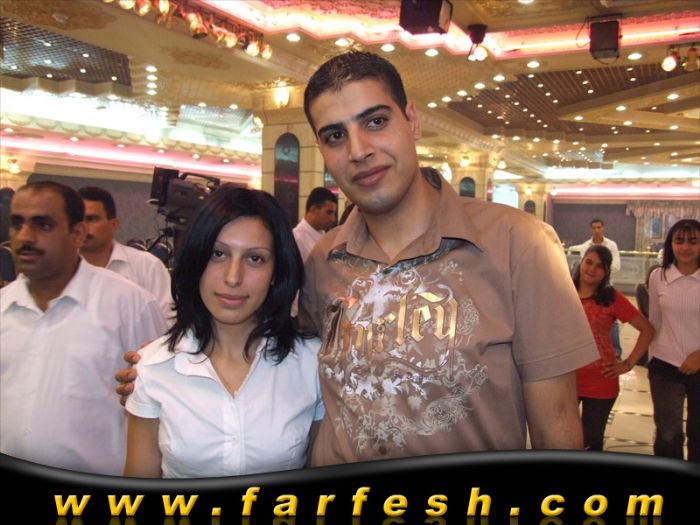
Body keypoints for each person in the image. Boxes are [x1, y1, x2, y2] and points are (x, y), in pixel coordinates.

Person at [118, 51, 598, 464]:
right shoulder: (323, 261)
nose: (359, 151)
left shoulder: (518, 244)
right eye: (335, 136)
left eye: (375, 122)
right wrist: (168, 372)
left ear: (411, 120)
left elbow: (558, 429)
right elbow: (279, 358)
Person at [123, 185, 324, 478]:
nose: (233, 277)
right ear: (196, 260)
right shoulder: (154, 367)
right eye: (218, 254)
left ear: (276, 273)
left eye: (255, 259)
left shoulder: (311, 363)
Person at [0, 181, 165, 475]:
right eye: (17, 224)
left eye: (43, 225)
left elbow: (158, 405)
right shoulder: (3, 306)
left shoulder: (130, 304)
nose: (25, 237)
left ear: (77, 233)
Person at [573, 245, 654, 451]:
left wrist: (628, 364)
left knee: (590, 442)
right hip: (565, 380)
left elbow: (647, 330)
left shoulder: (611, 298)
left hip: (600, 381)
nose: (592, 269)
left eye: (599, 266)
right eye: (589, 262)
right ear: (581, 263)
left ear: (606, 271)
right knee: (564, 439)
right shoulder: (564, 292)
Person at [647, 218, 700, 462]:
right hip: (665, 366)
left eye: (693, 241)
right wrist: (650, 360)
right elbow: (654, 323)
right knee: (668, 435)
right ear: (670, 244)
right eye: (679, 241)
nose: (685, 247)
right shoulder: (659, 276)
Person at [78, 186, 173, 320]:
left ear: (113, 225)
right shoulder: (59, 269)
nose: (83, 227)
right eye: (78, 220)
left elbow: (168, 320)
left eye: (91, 219)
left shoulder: (146, 266)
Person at [569, 218, 623, 358]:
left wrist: (599, 269)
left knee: (612, 319)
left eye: (599, 227)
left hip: (606, 287)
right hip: (588, 288)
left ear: (603, 228)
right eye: (594, 228)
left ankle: (616, 352)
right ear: (591, 229)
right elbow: (585, 268)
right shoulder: (586, 246)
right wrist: (601, 266)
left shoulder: (611, 245)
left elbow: (616, 266)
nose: (597, 230)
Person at [292, 186, 338, 262]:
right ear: (313, 209)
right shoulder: (297, 239)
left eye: (334, 213)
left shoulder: (323, 234)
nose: (332, 219)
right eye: (328, 212)